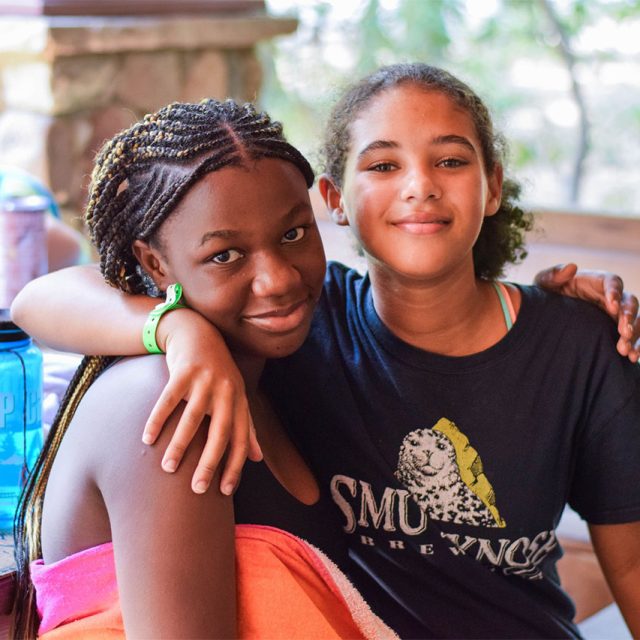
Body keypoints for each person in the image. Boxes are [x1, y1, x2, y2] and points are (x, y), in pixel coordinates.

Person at [12, 65, 640, 638]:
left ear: (492, 185)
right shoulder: (286, 339)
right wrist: (178, 329)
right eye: (384, 165)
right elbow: (37, 299)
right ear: (336, 200)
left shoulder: (579, 342)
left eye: (450, 160)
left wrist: (571, 310)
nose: (419, 187)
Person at [12, 99, 396, 639]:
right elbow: (34, 301)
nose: (278, 280)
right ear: (154, 264)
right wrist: (177, 328)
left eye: (292, 235)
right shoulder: (165, 401)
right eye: (225, 256)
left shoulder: (285, 366)